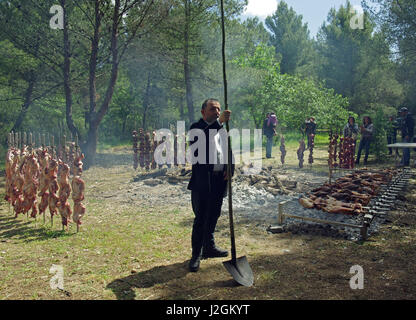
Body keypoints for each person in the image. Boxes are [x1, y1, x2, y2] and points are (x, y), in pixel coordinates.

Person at [187, 98, 232, 272]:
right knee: (201, 219)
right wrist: (219, 122)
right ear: (203, 112)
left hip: (219, 180)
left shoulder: (221, 130)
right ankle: (196, 254)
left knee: (214, 215)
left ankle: (209, 247)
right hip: (203, 181)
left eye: (219, 109)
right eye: (213, 109)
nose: (217, 112)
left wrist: (230, 167)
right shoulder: (196, 128)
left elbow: (228, 150)